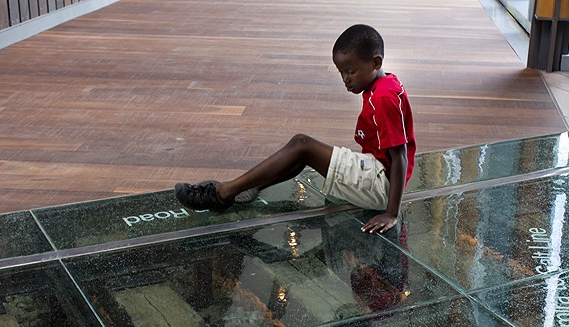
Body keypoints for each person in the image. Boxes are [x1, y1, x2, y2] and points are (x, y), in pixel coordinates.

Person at [175, 24, 416, 234]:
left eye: (350, 71)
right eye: (341, 72)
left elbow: (400, 156)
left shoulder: (383, 97)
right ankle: (250, 187)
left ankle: (222, 193)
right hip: (378, 172)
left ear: (376, 62)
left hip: (381, 185)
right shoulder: (385, 85)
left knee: (302, 146)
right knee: (301, 152)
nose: (345, 78)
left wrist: (391, 213)